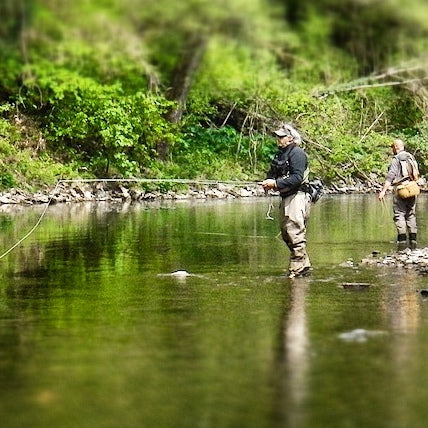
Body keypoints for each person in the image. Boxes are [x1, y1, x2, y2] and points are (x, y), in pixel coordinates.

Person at [262, 123, 312, 278]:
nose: (278, 139)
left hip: (298, 196)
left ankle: (296, 268)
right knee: (286, 233)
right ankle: (304, 265)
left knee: (294, 231)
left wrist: (275, 184)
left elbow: (297, 178)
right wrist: (268, 182)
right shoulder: (280, 154)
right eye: (278, 136)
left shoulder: (297, 154)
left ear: (290, 138)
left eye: (281, 136)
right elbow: (272, 173)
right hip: (286, 197)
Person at [378, 138, 419, 250]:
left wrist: (383, 191)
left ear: (396, 147)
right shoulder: (411, 157)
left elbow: (391, 176)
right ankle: (413, 242)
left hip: (401, 190)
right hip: (413, 188)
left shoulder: (396, 159)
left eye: (393, 147)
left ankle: (402, 243)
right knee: (411, 214)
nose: (392, 150)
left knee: (399, 214)